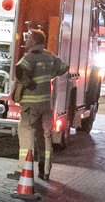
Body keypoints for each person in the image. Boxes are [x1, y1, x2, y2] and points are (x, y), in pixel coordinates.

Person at [13, 28, 67, 182]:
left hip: (31, 105)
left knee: (26, 133)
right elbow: (64, 67)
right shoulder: (50, 57)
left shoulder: (30, 57)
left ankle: (24, 169)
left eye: (29, 37)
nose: (27, 40)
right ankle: (45, 170)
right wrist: (51, 75)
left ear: (34, 41)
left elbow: (19, 70)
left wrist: (28, 83)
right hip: (45, 105)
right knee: (45, 136)